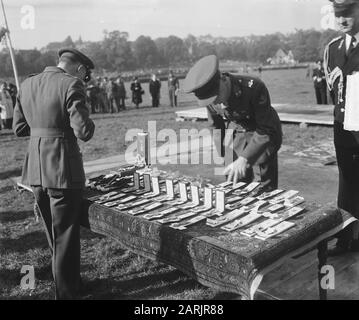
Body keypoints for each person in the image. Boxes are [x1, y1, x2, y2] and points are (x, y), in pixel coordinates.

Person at [12, 48, 95, 299]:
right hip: (62, 170)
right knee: (66, 235)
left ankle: (71, 283)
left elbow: (18, 128)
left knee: (54, 234)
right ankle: (68, 293)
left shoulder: (28, 84)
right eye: (85, 75)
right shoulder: (71, 85)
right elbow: (84, 131)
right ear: (80, 69)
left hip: (36, 169)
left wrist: (43, 131)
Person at [183, 55, 282, 192]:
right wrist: (225, 156)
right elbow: (216, 127)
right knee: (235, 184)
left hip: (261, 134)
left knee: (263, 188)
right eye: (211, 101)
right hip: (236, 132)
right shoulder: (210, 98)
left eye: (216, 97)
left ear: (223, 80)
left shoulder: (254, 87)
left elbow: (266, 129)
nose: (217, 103)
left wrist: (245, 158)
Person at [323, 0, 359, 255]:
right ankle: (346, 239)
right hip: (343, 125)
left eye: (347, 13)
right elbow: (334, 90)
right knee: (346, 182)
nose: (342, 20)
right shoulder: (333, 48)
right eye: (338, 15)